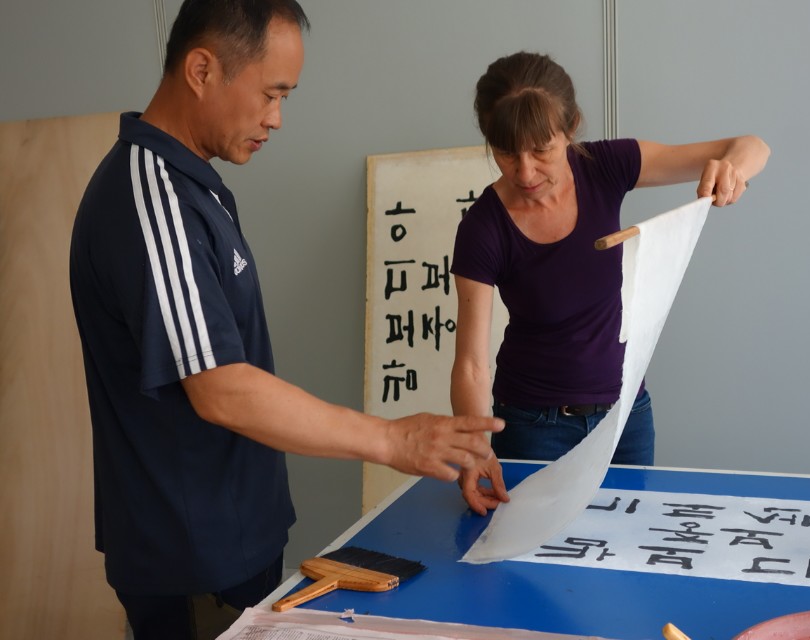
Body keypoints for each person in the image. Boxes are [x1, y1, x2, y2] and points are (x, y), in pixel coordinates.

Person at [69, 1, 502, 638]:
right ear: (201, 70)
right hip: (192, 557)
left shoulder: (193, 186)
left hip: (234, 536)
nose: (276, 118)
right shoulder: (151, 200)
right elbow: (220, 387)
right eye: (271, 94)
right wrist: (392, 440)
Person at [450, 51, 769, 516]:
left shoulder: (605, 165)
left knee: (630, 544)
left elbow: (752, 145)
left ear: (571, 128)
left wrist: (732, 169)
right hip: (534, 426)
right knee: (530, 548)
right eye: (506, 152)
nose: (525, 171)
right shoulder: (483, 228)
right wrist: (475, 446)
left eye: (542, 150)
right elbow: (471, 365)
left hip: (626, 417)